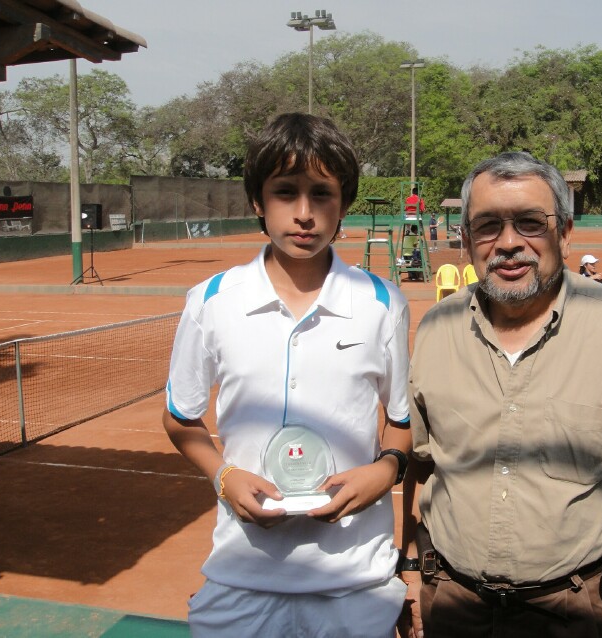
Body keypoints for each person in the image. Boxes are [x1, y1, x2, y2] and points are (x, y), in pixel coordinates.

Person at [400, 152, 602, 638]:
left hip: (577, 609)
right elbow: (421, 463)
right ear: (466, 239)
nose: (509, 243)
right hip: (453, 604)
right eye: (487, 225)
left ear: (563, 233)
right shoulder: (438, 328)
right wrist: (411, 571)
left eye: (529, 223)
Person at [163, 113, 412, 637]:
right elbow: (181, 419)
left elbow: (400, 421)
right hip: (241, 578)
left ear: (343, 203)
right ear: (258, 201)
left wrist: (385, 470)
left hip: (356, 583)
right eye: (284, 192)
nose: (304, 214)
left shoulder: (383, 302)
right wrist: (223, 476)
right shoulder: (210, 302)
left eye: (322, 194)